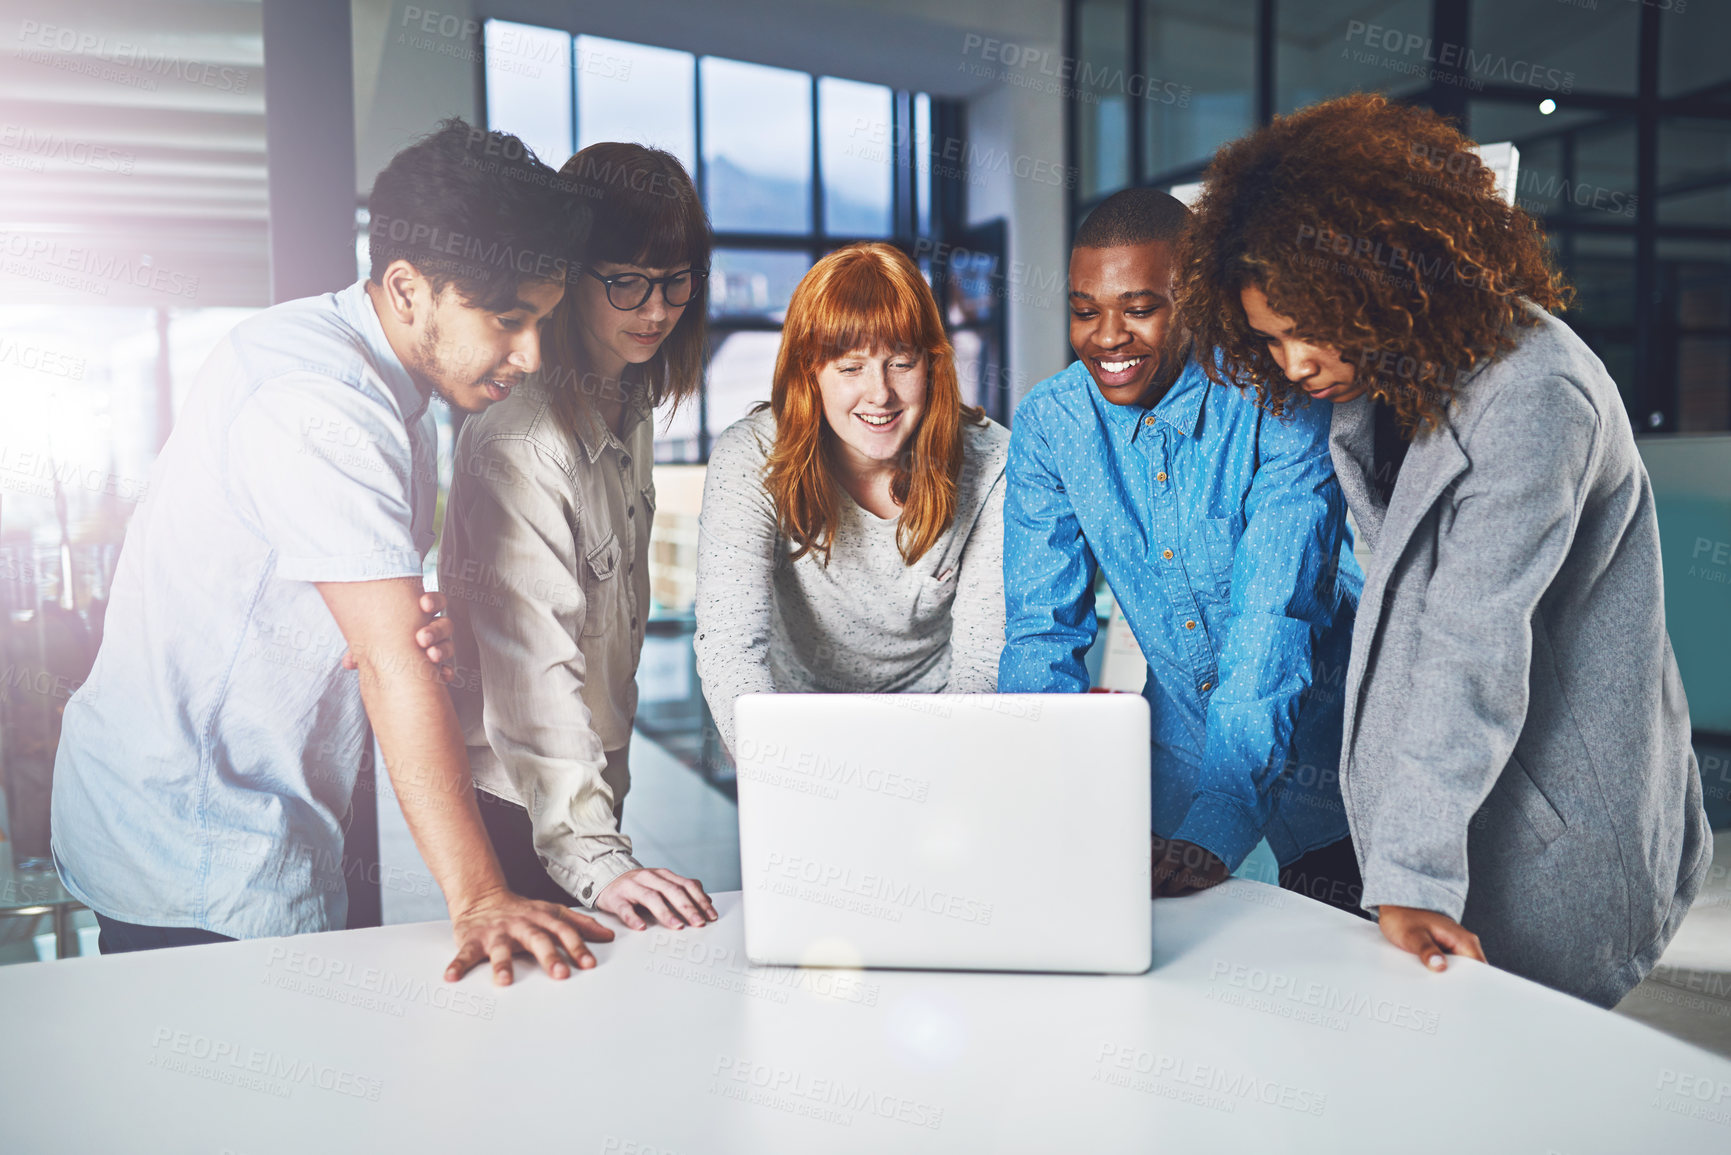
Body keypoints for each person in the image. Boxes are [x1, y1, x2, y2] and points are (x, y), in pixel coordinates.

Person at [1176, 92, 1711, 1006]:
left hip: (1556, 834)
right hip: (1453, 825)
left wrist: (1410, 873)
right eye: (1272, 338)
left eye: (1309, 325)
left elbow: (1472, 646)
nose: (1295, 362)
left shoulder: (1537, 393)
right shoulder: (1374, 386)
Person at [51, 119, 615, 985]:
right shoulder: (321, 398)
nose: (531, 354)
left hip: (243, 802)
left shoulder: (369, 365)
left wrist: (399, 620)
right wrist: (479, 898)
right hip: (193, 836)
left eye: (540, 320)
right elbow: (390, 662)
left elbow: (369, 622)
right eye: (507, 320)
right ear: (406, 286)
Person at [998, 187, 1364, 912]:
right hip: (1170, 765)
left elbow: (1273, 615)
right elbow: (1043, 631)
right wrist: (1032, 791)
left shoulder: (1277, 400)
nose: (1107, 337)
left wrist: (1220, 816)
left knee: (1340, 993)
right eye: (1083, 309)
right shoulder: (1050, 424)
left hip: (1334, 757)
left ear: (1194, 296)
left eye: (1139, 309)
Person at [440, 143, 718, 934]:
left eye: (673, 281)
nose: (656, 309)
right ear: (570, 278)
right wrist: (595, 856)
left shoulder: (626, 404)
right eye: (625, 281)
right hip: (523, 802)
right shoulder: (523, 441)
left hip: (588, 782)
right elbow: (532, 671)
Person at [694, 242, 1008, 756]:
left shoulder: (995, 463)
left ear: (931, 366)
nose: (879, 393)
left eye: (901, 363)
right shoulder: (750, 456)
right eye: (850, 367)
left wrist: (946, 771)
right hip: (797, 729)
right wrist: (773, 768)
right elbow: (730, 651)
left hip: (940, 728)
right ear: (809, 374)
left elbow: (982, 662)